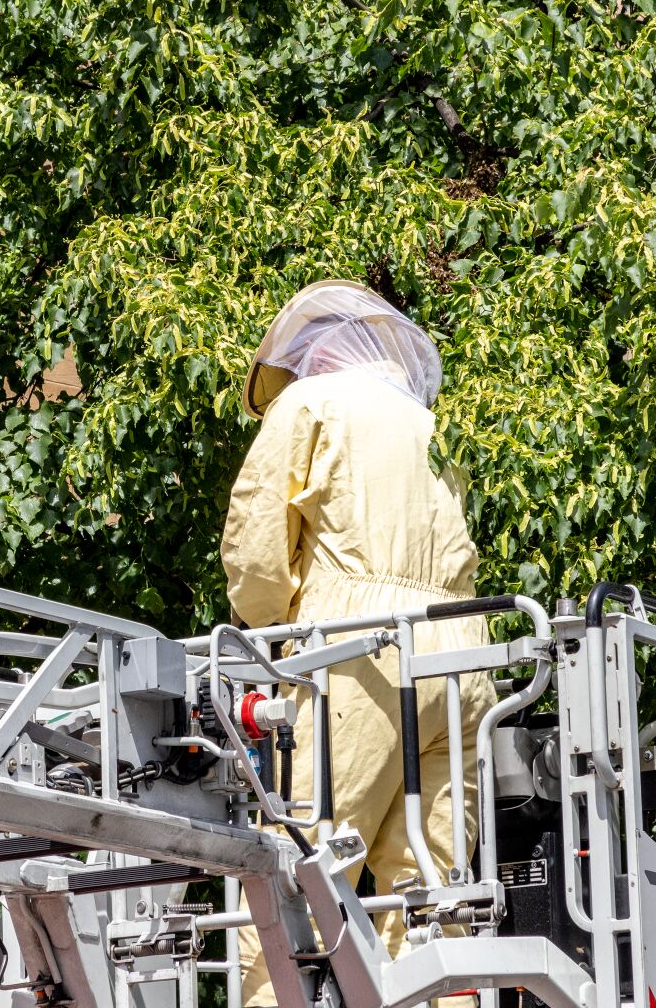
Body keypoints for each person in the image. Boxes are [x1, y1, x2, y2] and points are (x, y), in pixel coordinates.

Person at [221, 280, 493, 1005]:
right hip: (462, 655)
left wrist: (270, 636)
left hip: (355, 650)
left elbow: (256, 546)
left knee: (298, 877)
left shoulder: (312, 404)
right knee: (434, 896)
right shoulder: (432, 426)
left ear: (312, 354)